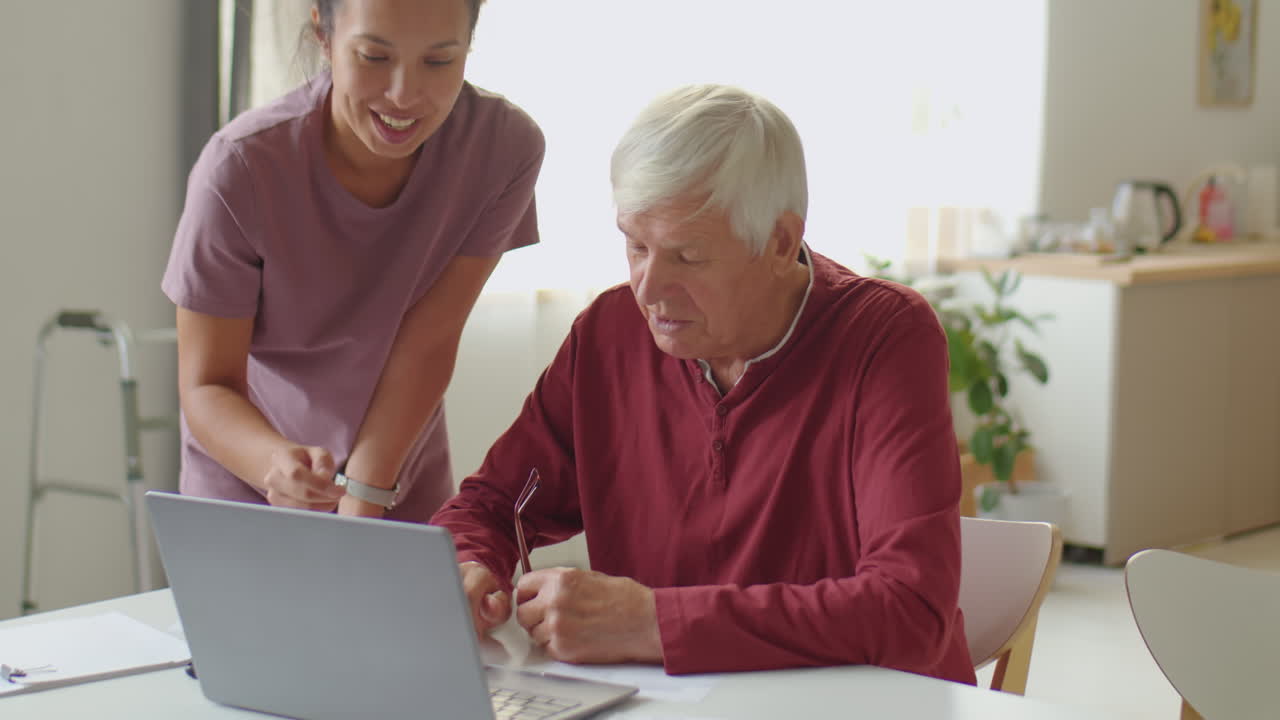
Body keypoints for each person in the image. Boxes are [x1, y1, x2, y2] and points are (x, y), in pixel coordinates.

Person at [431, 84, 976, 683]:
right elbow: (492, 505)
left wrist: (652, 623)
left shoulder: (885, 337)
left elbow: (910, 610)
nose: (648, 288)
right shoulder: (609, 334)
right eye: (636, 246)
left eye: (688, 257)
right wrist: (468, 563)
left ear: (779, 241)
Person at [162, 0, 544, 522]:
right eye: (373, 57)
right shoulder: (241, 169)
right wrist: (275, 464)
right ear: (324, 33)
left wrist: (365, 498)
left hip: (395, 477)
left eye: (438, 62)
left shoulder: (502, 150)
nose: (404, 94)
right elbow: (208, 384)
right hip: (249, 487)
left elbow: (429, 340)